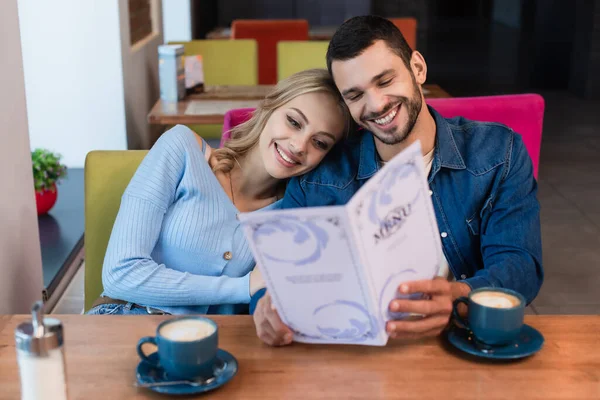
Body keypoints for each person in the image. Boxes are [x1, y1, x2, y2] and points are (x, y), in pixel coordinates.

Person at [251, 16, 543, 346]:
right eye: (355, 95)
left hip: (463, 340)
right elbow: (276, 269)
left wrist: (458, 297)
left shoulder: (498, 152)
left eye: (385, 80)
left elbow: (521, 266)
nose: (376, 105)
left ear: (417, 68)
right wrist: (264, 305)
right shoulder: (320, 176)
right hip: (352, 355)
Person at [87, 69, 351, 316]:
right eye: (293, 122)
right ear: (270, 106)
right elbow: (119, 274)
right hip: (122, 317)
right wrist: (244, 287)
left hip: (207, 348)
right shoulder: (182, 149)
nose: (298, 145)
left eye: (319, 142)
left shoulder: (291, 212)